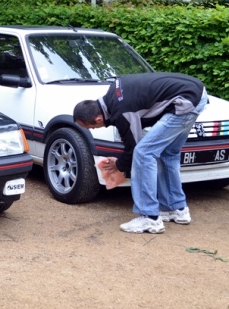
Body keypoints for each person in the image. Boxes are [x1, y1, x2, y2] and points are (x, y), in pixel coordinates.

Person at [73, 72, 208, 234]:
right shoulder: (113, 95)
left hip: (185, 101)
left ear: (98, 119)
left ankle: (149, 217)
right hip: (195, 93)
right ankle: (176, 208)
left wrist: (119, 165)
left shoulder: (122, 112)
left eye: (92, 127)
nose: (94, 130)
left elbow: (134, 148)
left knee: (144, 153)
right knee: (168, 153)